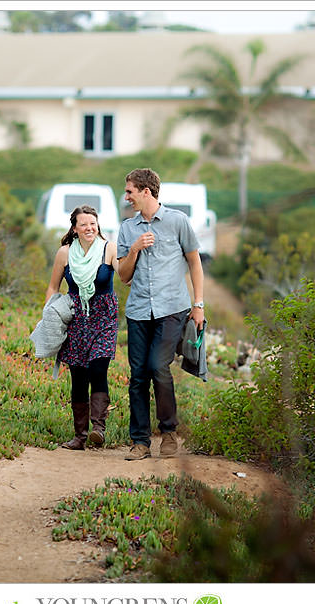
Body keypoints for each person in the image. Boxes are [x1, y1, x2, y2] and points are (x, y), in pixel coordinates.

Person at [117, 168, 205, 460]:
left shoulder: (178, 221)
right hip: (139, 310)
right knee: (138, 375)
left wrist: (198, 305)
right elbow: (124, 276)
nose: (126, 197)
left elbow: (195, 263)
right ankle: (140, 442)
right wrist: (134, 250)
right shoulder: (127, 228)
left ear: (146, 192)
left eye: (130, 191)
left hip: (172, 309)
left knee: (158, 366)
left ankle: (169, 433)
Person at [45, 205, 119, 450]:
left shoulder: (109, 249)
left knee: (99, 368)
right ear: (75, 229)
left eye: (93, 223)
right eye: (84, 224)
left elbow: (126, 273)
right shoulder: (64, 253)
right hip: (76, 319)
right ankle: (79, 436)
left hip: (104, 317)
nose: (90, 228)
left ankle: (98, 428)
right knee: (78, 376)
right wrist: (49, 316)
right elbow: (53, 287)